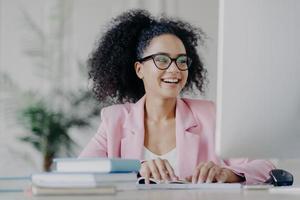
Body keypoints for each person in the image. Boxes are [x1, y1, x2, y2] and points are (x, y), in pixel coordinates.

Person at [79, 9, 275, 184]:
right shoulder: (114, 119)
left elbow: (265, 167)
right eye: (162, 60)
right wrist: (136, 169)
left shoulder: (209, 115)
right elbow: (81, 171)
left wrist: (228, 174)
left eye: (182, 60)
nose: (175, 69)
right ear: (139, 69)